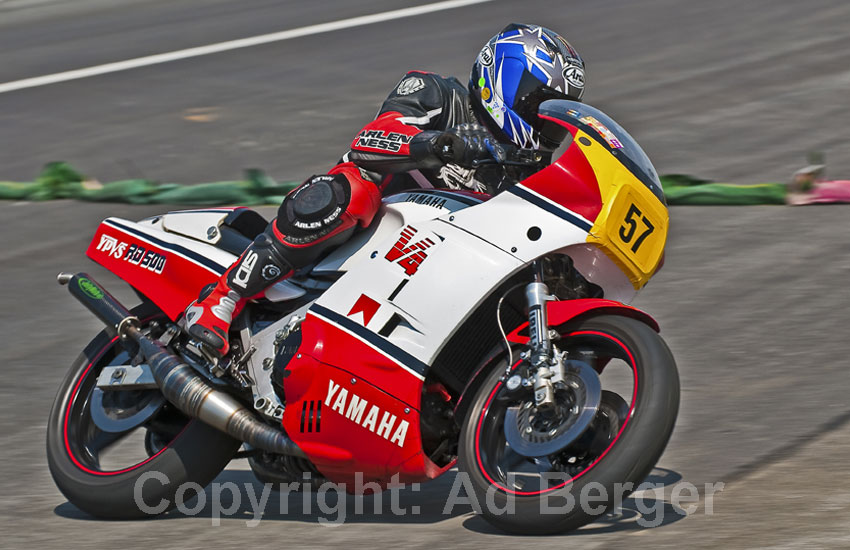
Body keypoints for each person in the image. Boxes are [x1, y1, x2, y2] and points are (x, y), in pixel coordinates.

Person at [184, 23, 586, 356]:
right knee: (351, 189)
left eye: (555, 112)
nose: (545, 120)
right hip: (362, 241)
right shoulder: (438, 94)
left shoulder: (525, 169)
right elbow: (372, 138)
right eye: (540, 104)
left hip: (427, 273)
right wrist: (438, 144)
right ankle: (223, 299)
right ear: (505, 81)